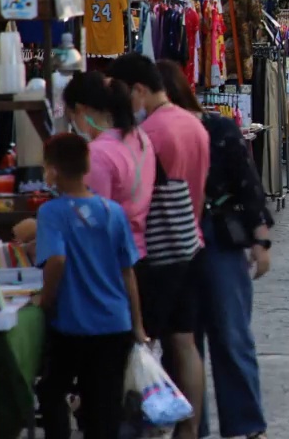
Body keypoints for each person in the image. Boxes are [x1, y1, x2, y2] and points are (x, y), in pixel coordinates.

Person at [154, 61, 271, 439]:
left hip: (216, 234)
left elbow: (245, 181)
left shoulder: (216, 128)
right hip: (179, 238)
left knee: (229, 333)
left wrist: (259, 236)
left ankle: (244, 425)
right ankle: (193, 426)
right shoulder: (151, 134)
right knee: (185, 339)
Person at [105, 54, 207, 439]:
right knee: (186, 343)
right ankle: (191, 428)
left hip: (157, 248)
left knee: (145, 343)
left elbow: (139, 198)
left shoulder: (150, 133)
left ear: (138, 90)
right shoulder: (194, 124)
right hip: (190, 240)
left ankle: (154, 423)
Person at [36, 133, 146, 439]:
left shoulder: (52, 213)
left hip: (73, 326)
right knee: (105, 409)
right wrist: (137, 325)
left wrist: (45, 300)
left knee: (51, 389)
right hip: (114, 323)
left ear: (53, 170)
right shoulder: (113, 211)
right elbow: (128, 273)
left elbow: (56, 260)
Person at [61, 72, 156, 258]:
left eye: (71, 117)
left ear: (80, 109)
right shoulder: (139, 138)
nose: (73, 124)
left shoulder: (97, 154)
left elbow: (92, 220)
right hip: (138, 251)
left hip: (109, 259)